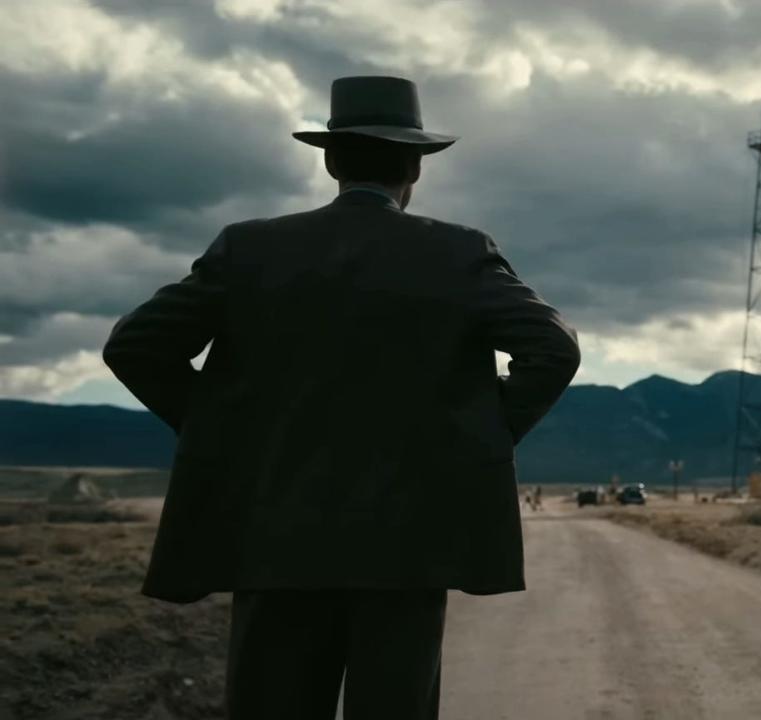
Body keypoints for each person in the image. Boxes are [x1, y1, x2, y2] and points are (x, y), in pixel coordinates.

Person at [102, 75, 580, 719]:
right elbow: (553, 350)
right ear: (415, 165)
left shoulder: (248, 248)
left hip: (272, 536)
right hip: (407, 548)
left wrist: (231, 433)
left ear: (330, 160)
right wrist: (468, 438)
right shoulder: (458, 252)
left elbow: (134, 347)